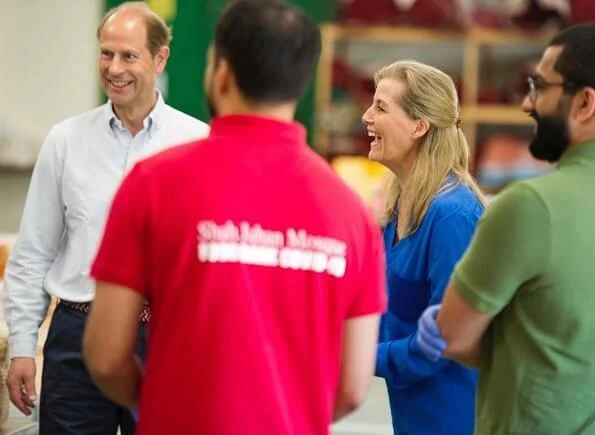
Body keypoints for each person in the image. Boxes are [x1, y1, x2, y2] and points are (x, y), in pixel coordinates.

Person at [82, 0, 387, 434]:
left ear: (220, 73)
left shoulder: (151, 184)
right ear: (300, 84)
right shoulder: (352, 213)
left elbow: (106, 354)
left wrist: (165, 403)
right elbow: (353, 386)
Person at [3, 2, 209, 434]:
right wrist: (22, 346)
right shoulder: (66, 140)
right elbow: (34, 252)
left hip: (166, 338)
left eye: (128, 55)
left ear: (160, 58)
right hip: (77, 336)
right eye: (106, 53)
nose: (114, 68)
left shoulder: (198, 144)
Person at [416, 22, 595, 435]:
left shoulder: (529, 207)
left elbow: (454, 335)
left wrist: (443, 328)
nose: (528, 104)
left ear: (584, 102)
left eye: (541, 86)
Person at [361, 60, 485, 434]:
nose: (366, 116)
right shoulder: (399, 207)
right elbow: (385, 311)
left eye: (381, 107)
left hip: (456, 420)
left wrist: (355, 357)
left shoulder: (452, 215)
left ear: (419, 125)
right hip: (416, 416)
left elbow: (446, 341)